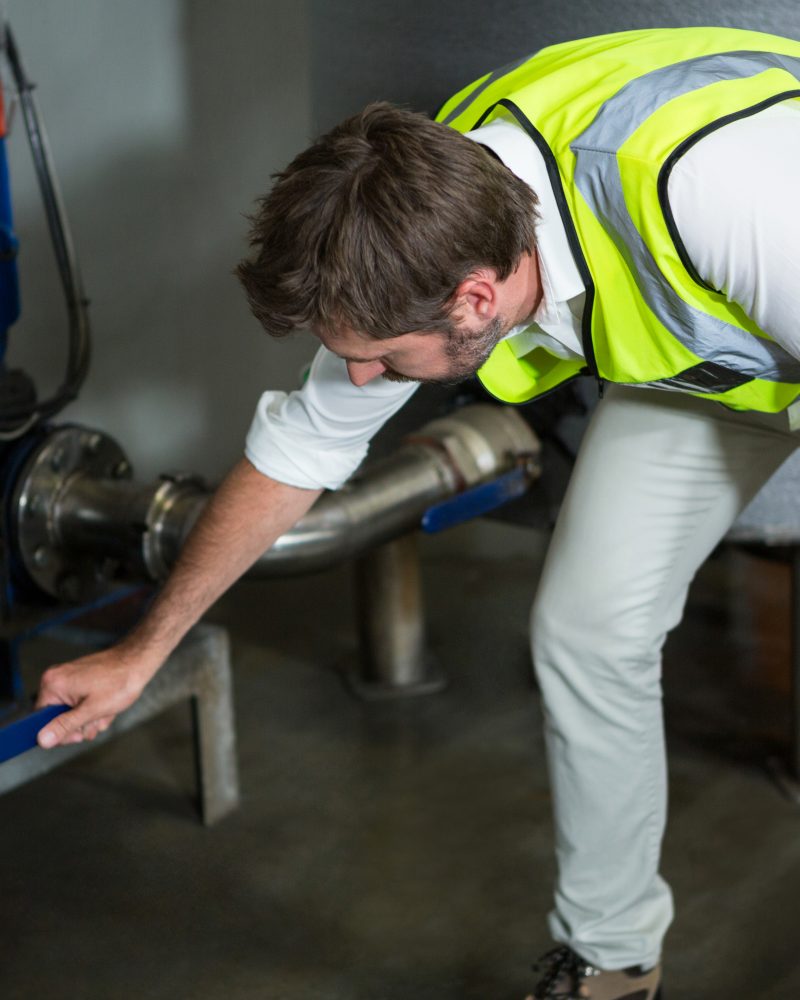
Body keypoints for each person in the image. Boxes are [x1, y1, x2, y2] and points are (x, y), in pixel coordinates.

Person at [34, 25, 800, 1000]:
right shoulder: (418, 231)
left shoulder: (721, 193)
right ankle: (613, 961)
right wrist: (141, 653)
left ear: (475, 300)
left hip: (764, 271)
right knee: (586, 625)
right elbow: (294, 455)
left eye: (381, 360)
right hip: (721, 351)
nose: (360, 376)